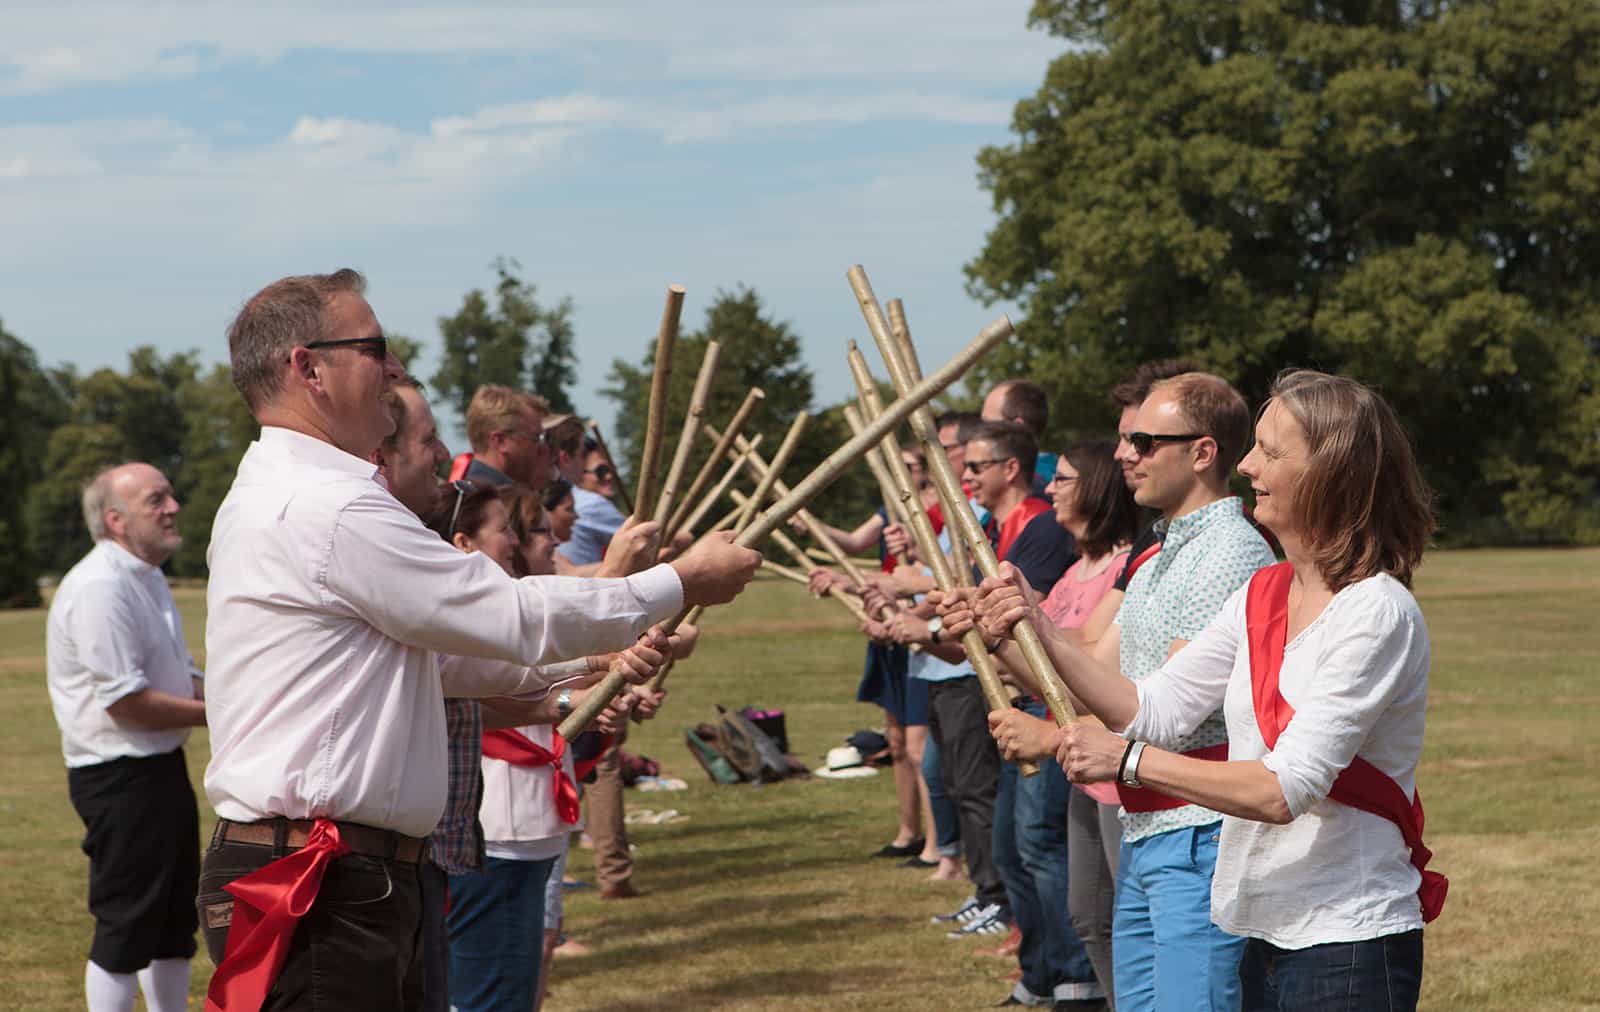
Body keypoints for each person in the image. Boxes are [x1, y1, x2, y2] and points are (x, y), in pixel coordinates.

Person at [198, 268, 761, 1010]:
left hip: (345, 871)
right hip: (318, 879)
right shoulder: (323, 506)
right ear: (308, 367)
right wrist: (680, 583)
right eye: (375, 348)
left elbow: (447, 657)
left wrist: (592, 665)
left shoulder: (304, 495)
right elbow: (505, 614)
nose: (395, 368)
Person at [976, 370, 1442, 1010]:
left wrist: (1127, 761)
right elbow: (1153, 708)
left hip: (1348, 940)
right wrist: (1038, 626)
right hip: (1263, 925)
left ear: (1332, 472)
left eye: (1271, 452)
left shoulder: (1376, 612)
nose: (1247, 464)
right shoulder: (1264, 593)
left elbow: (1284, 789)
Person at [948, 371, 1273, 1012]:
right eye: (1128, 440)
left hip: (1199, 832)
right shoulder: (1159, 554)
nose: (1125, 454)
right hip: (1148, 826)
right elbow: (1094, 674)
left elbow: (1166, 716)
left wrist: (1033, 618)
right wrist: (996, 634)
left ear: (1203, 452)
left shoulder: (1232, 553)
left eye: (1145, 442)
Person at [45, 463, 207, 1012]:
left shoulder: (144, 575)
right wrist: (226, 714)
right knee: (126, 925)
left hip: (158, 768)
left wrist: (241, 694)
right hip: (118, 776)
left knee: (172, 922)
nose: (173, 507)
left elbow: (177, 676)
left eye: (170, 495)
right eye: (156, 500)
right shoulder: (99, 587)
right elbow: (127, 703)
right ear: (115, 520)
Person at [1038, 441, 1143, 1007]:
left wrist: (1017, 623)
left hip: (1119, 769)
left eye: (1064, 478)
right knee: (1089, 917)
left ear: (1096, 488)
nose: (1050, 487)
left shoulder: (1127, 567)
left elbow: (1089, 657)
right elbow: (1042, 668)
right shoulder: (1072, 572)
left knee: (1127, 920)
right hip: (1082, 767)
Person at [455, 384, 555, 487]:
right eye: (536, 439)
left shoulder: (458, 496)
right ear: (500, 441)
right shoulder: (497, 501)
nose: (545, 449)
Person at [982, 379, 1055, 495]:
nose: (980, 432)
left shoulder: (1030, 484)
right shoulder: (1056, 474)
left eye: (988, 424)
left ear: (1017, 427)